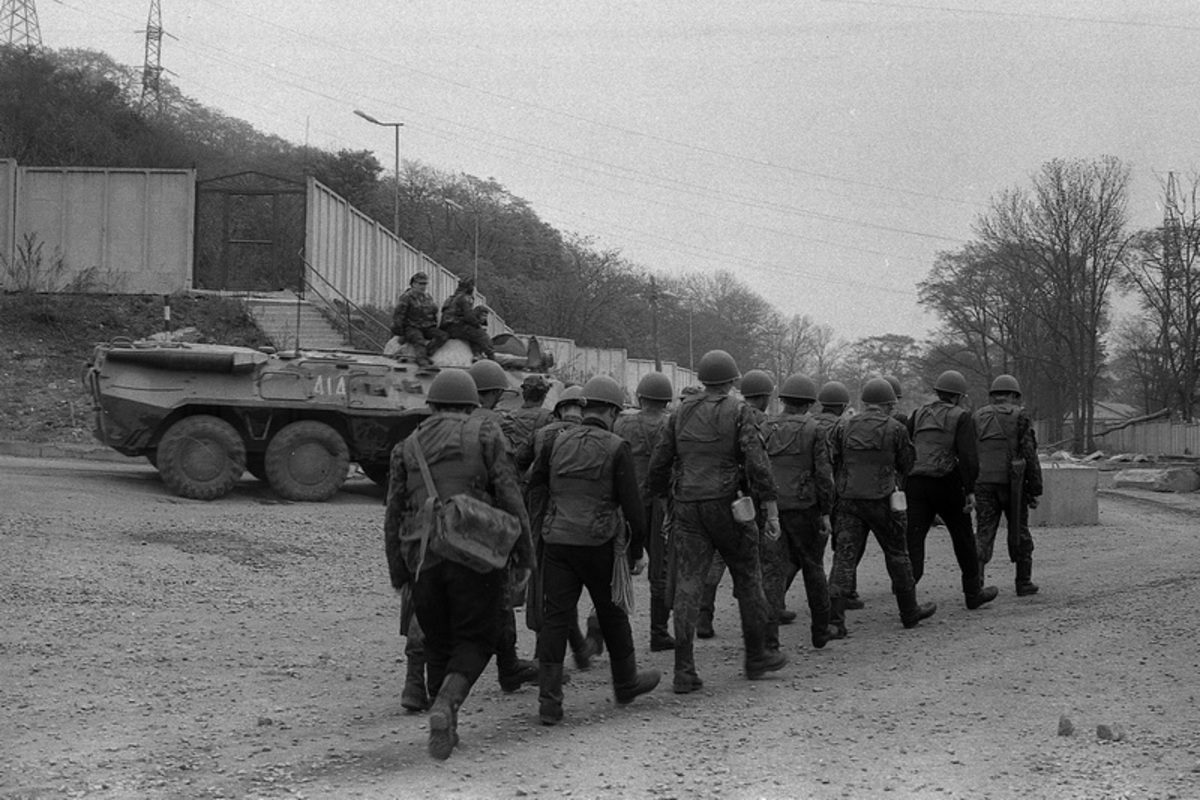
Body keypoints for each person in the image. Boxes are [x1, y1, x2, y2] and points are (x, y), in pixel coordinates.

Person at [383, 368, 535, 760]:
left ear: (431, 404)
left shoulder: (407, 445)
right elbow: (509, 495)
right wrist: (524, 554)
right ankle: (447, 704)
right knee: (477, 639)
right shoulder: (486, 434)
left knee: (438, 642)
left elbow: (393, 511)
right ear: (471, 405)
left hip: (422, 557)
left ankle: (443, 720)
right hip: (475, 553)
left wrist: (399, 572)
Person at [646, 349, 786, 694]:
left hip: (688, 504)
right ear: (731, 380)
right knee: (749, 576)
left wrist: (667, 503)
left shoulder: (678, 414)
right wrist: (770, 509)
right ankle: (756, 656)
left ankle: (684, 670)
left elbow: (659, 465)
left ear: (704, 379)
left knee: (688, 582)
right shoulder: (741, 411)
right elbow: (757, 463)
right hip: (729, 505)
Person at [529, 375, 660, 724]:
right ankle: (626, 683)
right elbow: (633, 507)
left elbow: (535, 485)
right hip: (600, 543)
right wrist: (636, 553)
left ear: (585, 406)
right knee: (613, 614)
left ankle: (549, 702)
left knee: (556, 620)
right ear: (614, 411)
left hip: (557, 543)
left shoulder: (555, 442)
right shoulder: (617, 447)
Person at [828, 377, 936, 635]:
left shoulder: (843, 427)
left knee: (844, 557)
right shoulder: (895, 428)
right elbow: (908, 463)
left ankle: (834, 621)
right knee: (898, 555)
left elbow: (832, 459)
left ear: (864, 403)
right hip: (884, 500)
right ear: (889, 403)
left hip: (848, 500)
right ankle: (910, 612)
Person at [467, 359, 540, 692]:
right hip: (490, 522)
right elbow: (510, 478)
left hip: (448, 517)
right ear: (495, 392)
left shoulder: (447, 422)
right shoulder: (501, 425)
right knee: (501, 593)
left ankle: (415, 679)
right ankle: (508, 666)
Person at [517, 385, 598, 669]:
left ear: (559, 409)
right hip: (580, 523)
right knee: (570, 589)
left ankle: (548, 654)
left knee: (544, 588)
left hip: (542, 522)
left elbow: (519, 468)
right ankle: (579, 648)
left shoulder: (541, 435)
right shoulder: (595, 437)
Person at [904, 370, 998, 611]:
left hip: (915, 482)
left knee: (913, 539)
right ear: (958, 396)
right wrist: (970, 490)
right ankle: (973, 593)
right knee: (963, 538)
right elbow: (968, 457)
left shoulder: (918, 413)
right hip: (946, 483)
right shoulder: (961, 416)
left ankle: (907, 601)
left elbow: (906, 450)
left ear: (937, 392)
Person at [763, 373, 839, 649]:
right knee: (813, 568)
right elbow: (824, 475)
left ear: (783, 400)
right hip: (805, 507)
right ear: (809, 402)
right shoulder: (815, 429)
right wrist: (826, 512)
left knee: (772, 573)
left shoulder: (765, 426)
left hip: (771, 508)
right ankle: (820, 630)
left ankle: (769, 642)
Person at [614, 371, 676, 652]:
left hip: (628, 503)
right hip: (661, 504)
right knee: (661, 570)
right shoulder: (672, 424)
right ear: (667, 400)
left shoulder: (622, 424)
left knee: (619, 566)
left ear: (640, 397)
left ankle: (599, 628)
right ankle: (659, 632)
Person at [974, 374, 1043, 596]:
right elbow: (1029, 453)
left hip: (983, 483)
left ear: (993, 395)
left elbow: (968, 453)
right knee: (1020, 531)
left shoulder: (977, 416)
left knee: (983, 533)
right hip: (1013, 483)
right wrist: (1035, 488)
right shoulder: (1020, 415)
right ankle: (1023, 582)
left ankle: (976, 584)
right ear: (1014, 395)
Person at [814, 380, 862, 610]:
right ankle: (845, 593)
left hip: (808, 493)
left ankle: (776, 603)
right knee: (844, 545)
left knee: (805, 551)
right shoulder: (843, 428)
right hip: (836, 493)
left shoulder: (808, 423)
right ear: (843, 405)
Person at [389, 272, 446, 366]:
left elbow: (433, 313)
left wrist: (435, 326)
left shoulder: (428, 297)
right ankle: (422, 362)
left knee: (443, 335)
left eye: (425, 284)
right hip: (412, 327)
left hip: (427, 327)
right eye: (420, 284)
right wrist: (401, 333)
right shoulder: (406, 297)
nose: (423, 286)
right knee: (418, 339)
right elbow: (398, 316)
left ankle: (426, 353)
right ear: (414, 284)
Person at [439, 277, 495, 360]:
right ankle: (492, 357)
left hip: (446, 327)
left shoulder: (451, 298)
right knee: (481, 335)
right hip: (455, 326)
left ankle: (477, 354)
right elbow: (469, 316)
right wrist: (478, 324)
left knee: (472, 335)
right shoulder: (465, 298)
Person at [503, 375, 554, 457]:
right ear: (544, 396)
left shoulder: (510, 416)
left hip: (510, 465)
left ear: (523, 394)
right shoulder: (549, 418)